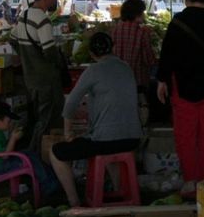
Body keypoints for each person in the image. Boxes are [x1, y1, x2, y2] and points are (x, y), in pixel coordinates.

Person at [51, 33, 142, 206]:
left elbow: (70, 104)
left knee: (56, 153)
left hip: (105, 141)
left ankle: (74, 203)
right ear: (113, 48)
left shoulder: (93, 70)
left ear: (92, 54)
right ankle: (120, 192)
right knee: (108, 148)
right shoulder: (126, 67)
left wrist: (68, 132)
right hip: (132, 139)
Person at [156, 0, 204, 196]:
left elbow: (167, 54)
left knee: (186, 135)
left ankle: (190, 181)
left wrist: (162, 80)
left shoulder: (178, 21)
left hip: (183, 87)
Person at [11, 0, 65, 151]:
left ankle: (34, 155)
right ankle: (37, 158)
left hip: (30, 78)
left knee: (36, 118)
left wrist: (27, 57)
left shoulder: (23, 15)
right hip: (46, 80)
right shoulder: (42, 19)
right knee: (47, 121)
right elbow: (50, 53)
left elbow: (12, 40)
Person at [0, 102, 58, 195]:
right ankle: (48, 186)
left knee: (30, 154)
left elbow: (4, 149)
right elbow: (5, 156)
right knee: (29, 161)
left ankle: (52, 179)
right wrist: (13, 138)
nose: (10, 124)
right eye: (8, 121)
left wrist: (12, 138)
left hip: (3, 162)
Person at [112, 0, 156, 90]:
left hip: (117, 79)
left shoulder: (115, 29)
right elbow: (148, 60)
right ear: (137, 14)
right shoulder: (142, 32)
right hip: (137, 81)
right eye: (143, 12)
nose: (144, 15)